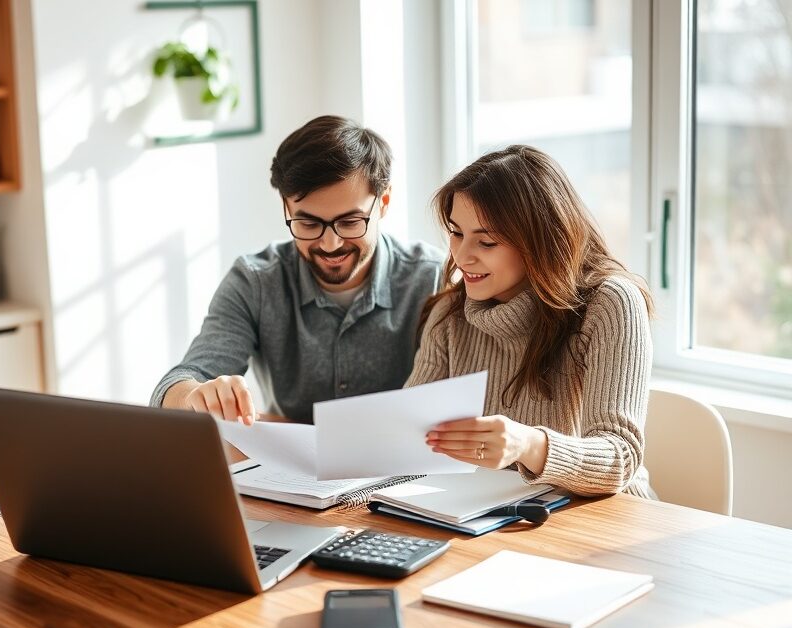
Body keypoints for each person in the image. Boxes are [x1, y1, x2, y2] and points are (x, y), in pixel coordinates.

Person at [150, 115, 444, 424]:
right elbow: (180, 382)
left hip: (409, 469)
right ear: (286, 208)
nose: (331, 244)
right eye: (308, 223)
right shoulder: (255, 282)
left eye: (350, 222)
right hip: (288, 471)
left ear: (383, 202)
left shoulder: (432, 278)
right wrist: (195, 395)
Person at [409, 145, 656, 498]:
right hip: (488, 513)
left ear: (540, 242)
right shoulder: (450, 313)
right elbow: (411, 437)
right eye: (456, 232)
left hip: (602, 518)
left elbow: (620, 459)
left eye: (487, 241)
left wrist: (526, 444)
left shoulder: (610, 302)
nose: (461, 256)